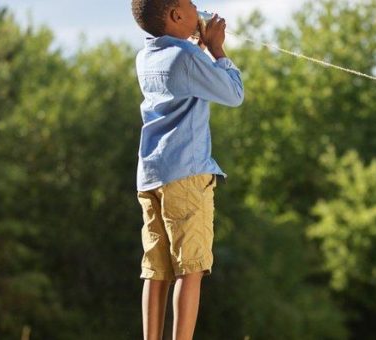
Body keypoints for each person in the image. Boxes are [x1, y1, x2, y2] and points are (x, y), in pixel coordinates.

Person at [130, 0, 244, 339]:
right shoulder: (187, 57)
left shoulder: (146, 57)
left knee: (156, 270)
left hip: (151, 176)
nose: (199, 9)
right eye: (192, 4)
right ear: (176, 15)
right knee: (190, 269)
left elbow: (179, 77)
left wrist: (195, 46)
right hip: (186, 175)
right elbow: (234, 93)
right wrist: (218, 50)